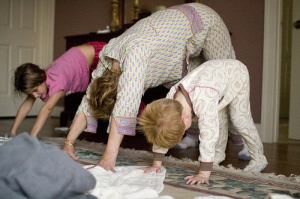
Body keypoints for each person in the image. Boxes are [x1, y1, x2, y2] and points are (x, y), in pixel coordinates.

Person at [62, 3, 235, 171]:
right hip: (178, 33)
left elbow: (125, 106)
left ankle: (243, 141)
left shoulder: (135, 58)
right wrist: (68, 143)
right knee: (197, 89)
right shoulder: (107, 61)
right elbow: (89, 101)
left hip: (204, 21)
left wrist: (108, 158)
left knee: (225, 82)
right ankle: (193, 134)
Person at [138, 59, 268, 185]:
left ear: (185, 119)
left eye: (183, 131)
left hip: (236, 73)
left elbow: (208, 136)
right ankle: (217, 156)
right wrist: (156, 163)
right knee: (217, 117)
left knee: (239, 119)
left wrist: (203, 173)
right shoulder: (169, 102)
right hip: (213, 78)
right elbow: (162, 126)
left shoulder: (203, 100)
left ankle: (259, 159)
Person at [11, 41, 107, 137]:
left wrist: (32, 137)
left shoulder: (57, 80)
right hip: (83, 55)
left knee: (111, 88)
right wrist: (12, 132)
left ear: (41, 76)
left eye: (35, 90)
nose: (35, 96)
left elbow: (47, 108)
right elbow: (26, 105)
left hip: (99, 53)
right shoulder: (39, 80)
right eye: (31, 94)